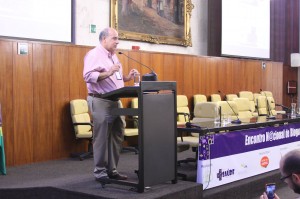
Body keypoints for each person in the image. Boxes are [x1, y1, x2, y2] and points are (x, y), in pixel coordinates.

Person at [83, 27, 139, 182]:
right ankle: (100, 172)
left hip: (115, 100)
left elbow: (116, 79)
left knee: (117, 133)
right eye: (114, 38)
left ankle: (112, 170)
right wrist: (108, 72)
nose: (117, 41)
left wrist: (128, 77)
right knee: (101, 137)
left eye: (117, 38)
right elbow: (88, 76)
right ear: (104, 39)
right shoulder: (94, 54)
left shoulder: (114, 56)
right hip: (100, 100)